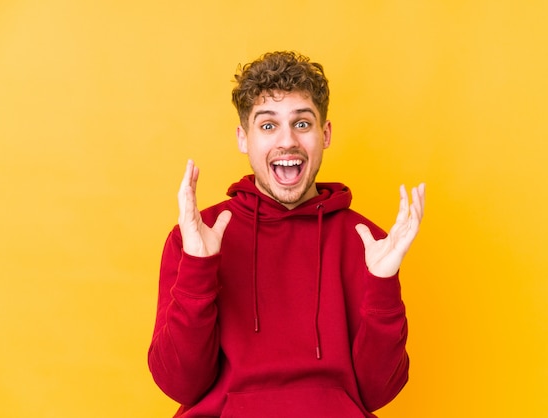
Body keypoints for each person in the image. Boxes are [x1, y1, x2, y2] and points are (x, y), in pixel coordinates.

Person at [148, 51, 426, 418]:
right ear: (243, 138)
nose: (287, 141)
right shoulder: (198, 236)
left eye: (302, 124)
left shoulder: (367, 243)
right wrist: (199, 267)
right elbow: (180, 384)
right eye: (267, 126)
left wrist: (383, 285)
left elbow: (377, 392)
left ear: (324, 134)